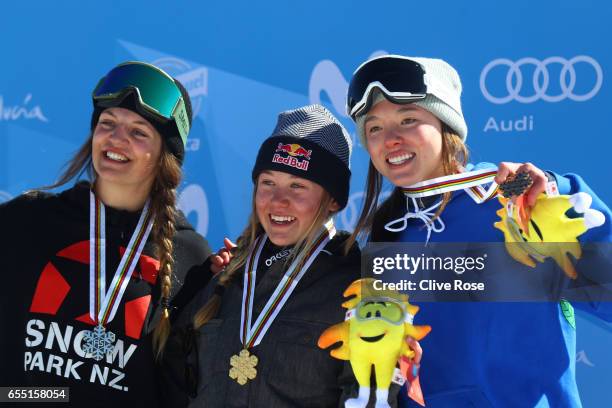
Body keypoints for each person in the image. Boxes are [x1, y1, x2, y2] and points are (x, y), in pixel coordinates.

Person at [345, 55, 612, 407]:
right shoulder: (384, 234)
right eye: (374, 128)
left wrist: (564, 212)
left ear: (446, 125)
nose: (390, 139)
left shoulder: (519, 201)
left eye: (408, 119)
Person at [0, 61, 212, 407]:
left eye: (138, 132)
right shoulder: (24, 223)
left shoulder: (192, 258)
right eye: (107, 123)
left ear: (164, 155)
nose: (116, 139)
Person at [174, 104, 389, 407]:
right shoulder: (227, 276)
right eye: (268, 183)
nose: (278, 201)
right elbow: (171, 379)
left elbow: (369, 399)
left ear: (334, 201)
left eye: (298, 186)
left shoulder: (361, 287)